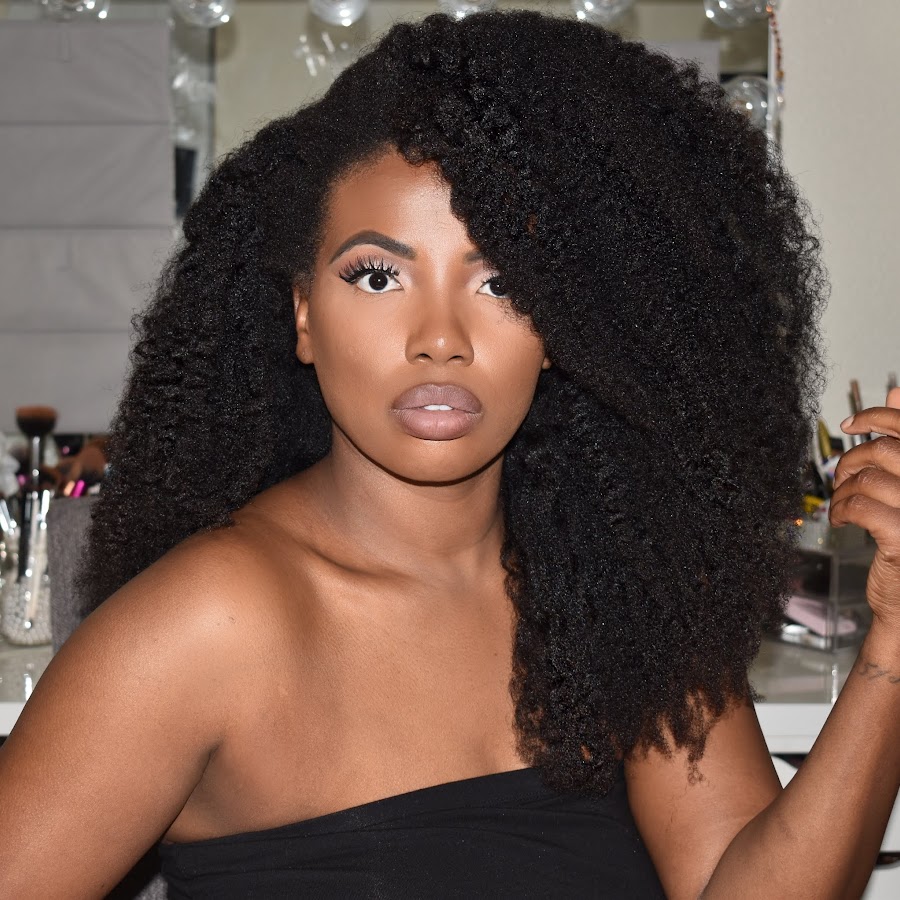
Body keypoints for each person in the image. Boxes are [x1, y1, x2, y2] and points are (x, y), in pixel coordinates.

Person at [1, 9, 898, 898]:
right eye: (377, 275)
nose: (440, 338)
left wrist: (892, 645)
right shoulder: (209, 624)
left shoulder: (618, 590)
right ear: (303, 314)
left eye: (501, 281)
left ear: (562, 326)